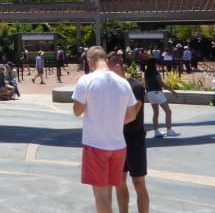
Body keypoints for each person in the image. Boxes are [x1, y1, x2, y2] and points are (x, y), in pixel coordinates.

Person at [72, 46, 138, 213]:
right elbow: (131, 115)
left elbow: (77, 111)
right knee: (108, 190)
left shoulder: (86, 80)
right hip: (118, 145)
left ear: (89, 61)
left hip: (95, 144)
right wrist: (113, 121)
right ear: (106, 60)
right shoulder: (123, 82)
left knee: (100, 195)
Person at [107, 52, 149, 213]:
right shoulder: (111, 88)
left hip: (134, 140)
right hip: (118, 140)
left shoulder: (135, 87)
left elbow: (131, 116)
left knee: (138, 183)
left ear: (117, 66)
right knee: (119, 182)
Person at [144, 60, 179, 138]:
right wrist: (172, 91)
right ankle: (169, 130)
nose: (157, 65)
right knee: (168, 111)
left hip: (150, 93)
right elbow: (161, 83)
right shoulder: (155, 73)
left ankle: (156, 131)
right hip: (157, 92)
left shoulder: (146, 73)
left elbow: (145, 84)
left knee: (155, 113)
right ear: (154, 64)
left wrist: (148, 92)